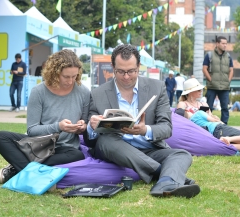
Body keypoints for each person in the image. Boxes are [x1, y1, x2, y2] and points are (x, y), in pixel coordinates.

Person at [85, 44, 200, 198]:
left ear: (139, 66)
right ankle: (165, 175)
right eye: (120, 71)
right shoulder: (97, 93)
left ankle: (164, 184)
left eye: (131, 71)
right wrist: (92, 127)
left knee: (182, 154)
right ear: (113, 67)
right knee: (105, 141)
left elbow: (166, 128)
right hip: (115, 148)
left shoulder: (157, 88)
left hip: (150, 149)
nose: (126, 76)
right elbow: (90, 141)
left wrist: (144, 130)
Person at [0, 49, 90, 184]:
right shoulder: (38, 92)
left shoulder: (84, 92)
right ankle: (32, 171)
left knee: (78, 155)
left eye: (74, 76)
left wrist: (82, 127)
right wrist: (58, 127)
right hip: (39, 144)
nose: (71, 81)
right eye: (66, 76)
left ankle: (20, 169)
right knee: (0, 137)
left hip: (65, 149)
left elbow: (84, 124)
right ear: (55, 73)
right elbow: (32, 130)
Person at [175, 108, 240, 151]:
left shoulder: (189, 125)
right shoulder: (198, 113)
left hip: (213, 137)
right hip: (218, 128)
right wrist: (211, 116)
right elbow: (215, 121)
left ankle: (227, 144)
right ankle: (228, 139)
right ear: (186, 110)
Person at [202, 36, 233, 124]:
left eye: (226, 43)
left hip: (224, 87)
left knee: (225, 108)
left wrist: (228, 81)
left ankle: (224, 126)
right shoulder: (209, 55)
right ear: (217, 43)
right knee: (209, 107)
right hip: (212, 86)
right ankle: (207, 125)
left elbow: (231, 70)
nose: (225, 45)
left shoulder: (228, 56)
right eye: (223, 43)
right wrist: (210, 80)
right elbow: (204, 69)